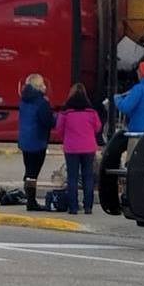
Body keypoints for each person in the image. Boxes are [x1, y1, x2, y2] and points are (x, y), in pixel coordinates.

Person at [55, 84, 101, 215]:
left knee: (72, 177)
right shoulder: (91, 112)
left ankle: (73, 207)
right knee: (88, 177)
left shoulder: (65, 113)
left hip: (71, 148)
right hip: (88, 147)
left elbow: (59, 129)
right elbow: (98, 127)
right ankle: (88, 207)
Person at [18, 74, 54, 211]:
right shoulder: (42, 102)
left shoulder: (24, 100)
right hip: (38, 140)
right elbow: (47, 122)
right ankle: (31, 202)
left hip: (25, 140)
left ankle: (29, 198)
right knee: (33, 172)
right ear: (39, 86)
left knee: (29, 170)